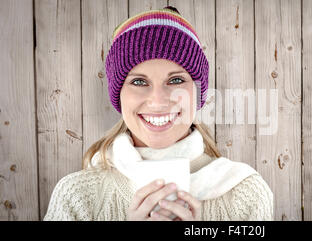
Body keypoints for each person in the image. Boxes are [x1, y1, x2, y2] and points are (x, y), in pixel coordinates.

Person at [43, 6, 273, 221]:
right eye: (139, 81)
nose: (158, 101)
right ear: (118, 94)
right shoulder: (77, 197)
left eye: (176, 80)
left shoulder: (246, 193)